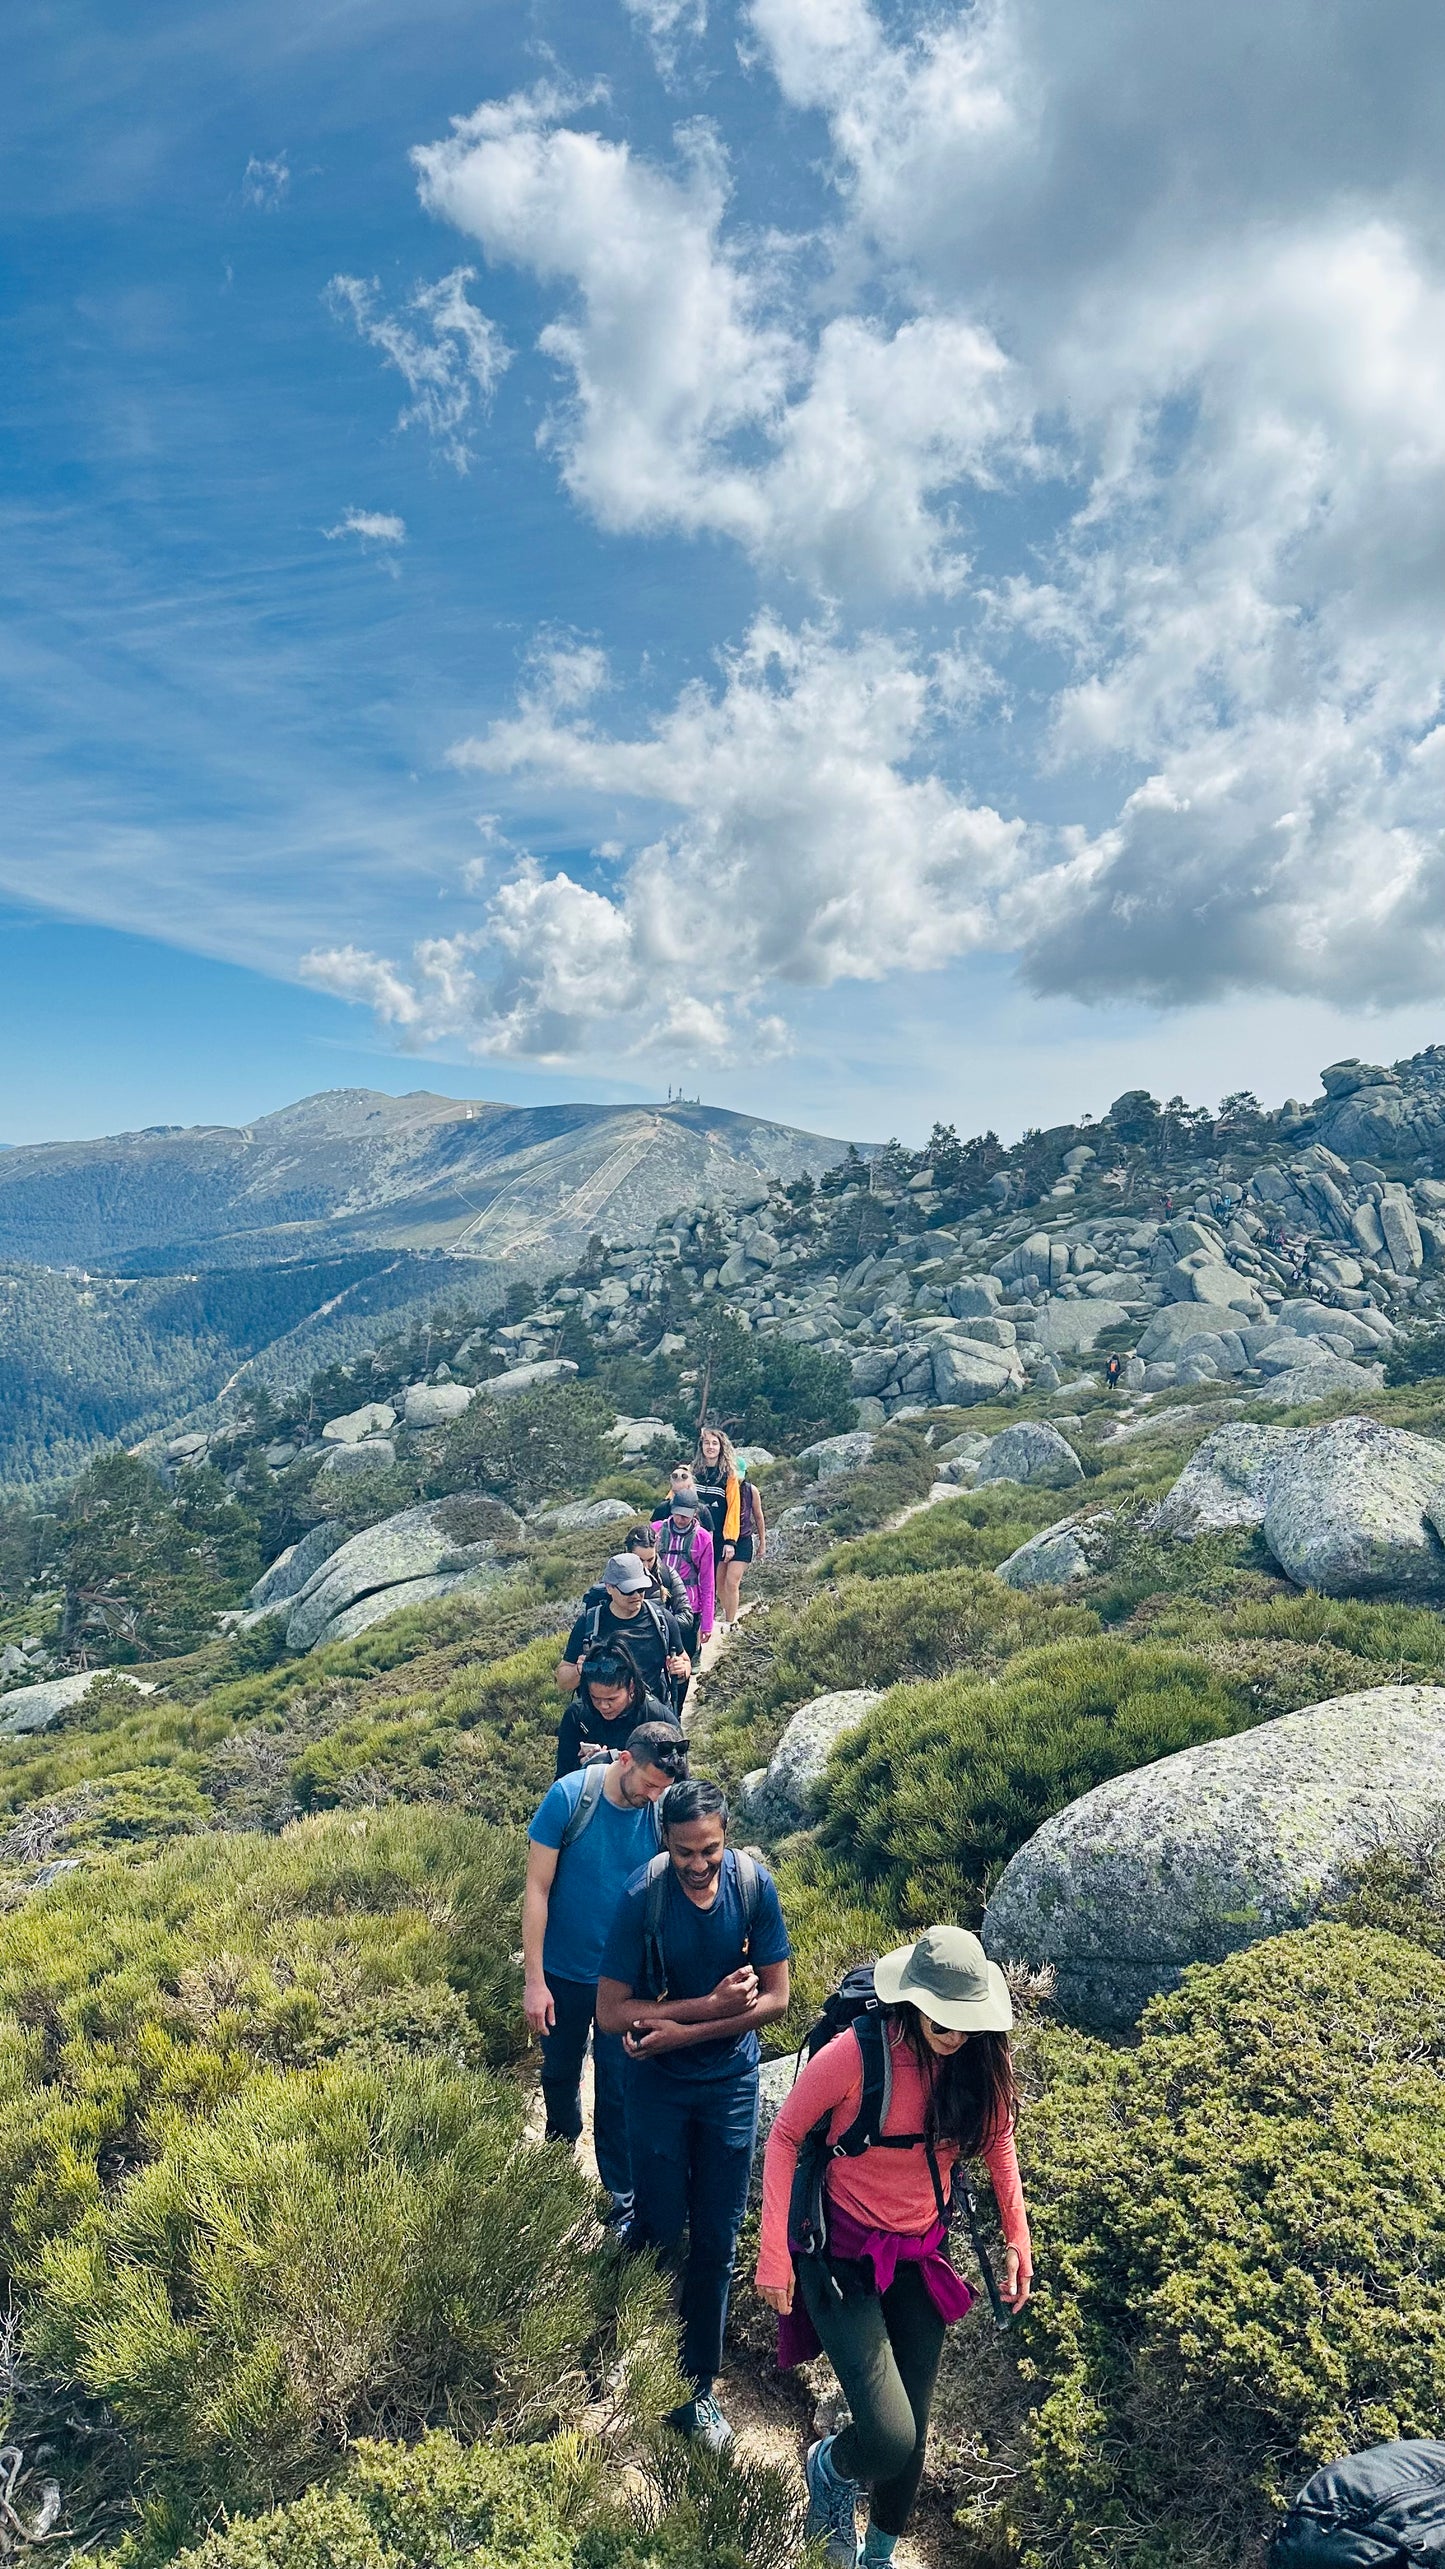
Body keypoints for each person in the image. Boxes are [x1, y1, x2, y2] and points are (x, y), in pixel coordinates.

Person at [755, 1926, 1032, 2568]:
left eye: (966, 2019)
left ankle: (875, 2556)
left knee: (913, 2436)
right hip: (840, 2256)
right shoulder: (857, 2054)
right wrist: (774, 2252)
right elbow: (786, 2135)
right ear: (912, 2000)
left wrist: (1017, 2234)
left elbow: (998, 2142)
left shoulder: (982, 2059)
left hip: (917, 2253)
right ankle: (829, 2467)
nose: (955, 2032)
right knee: (886, 2435)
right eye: (943, 2017)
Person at [597, 1779, 792, 2453]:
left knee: (715, 2239)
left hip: (730, 2086)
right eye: (685, 1850)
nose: (698, 1862)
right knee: (656, 2225)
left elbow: (776, 1997)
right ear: (665, 1841)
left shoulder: (752, 1885)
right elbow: (611, 2012)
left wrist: (689, 2027)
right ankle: (621, 2327)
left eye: (709, 1848)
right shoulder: (640, 1897)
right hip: (655, 2086)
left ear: (726, 1835)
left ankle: (694, 2388)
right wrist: (706, 2012)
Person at [525, 1722, 690, 2233]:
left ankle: (621, 2196)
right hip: (564, 1973)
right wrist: (534, 1980)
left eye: (663, 1789)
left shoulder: (660, 1810)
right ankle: (557, 2154)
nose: (653, 1796)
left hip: (626, 1984)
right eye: (648, 1783)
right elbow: (536, 1888)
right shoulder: (570, 1798)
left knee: (619, 2090)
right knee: (559, 2072)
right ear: (624, 1760)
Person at [556, 1553, 691, 1719]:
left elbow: (683, 1660)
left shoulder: (663, 1620)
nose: (636, 1595)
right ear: (609, 1588)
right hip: (602, 1719)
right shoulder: (590, 1623)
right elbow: (563, 1681)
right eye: (628, 1590)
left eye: (641, 1588)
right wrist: (579, 1670)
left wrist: (682, 1669)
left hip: (650, 1716)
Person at [553, 1642, 680, 1778]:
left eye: (611, 1699)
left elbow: (679, 1781)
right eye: (595, 1698)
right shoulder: (577, 1715)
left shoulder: (658, 1718)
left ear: (631, 1686)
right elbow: (563, 1776)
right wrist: (584, 1768)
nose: (603, 1706)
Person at [653, 1486, 715, 1667]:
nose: (681, 1519)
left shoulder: (703, 1538)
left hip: (689, 1605)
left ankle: (694, 1658)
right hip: (658, 1600)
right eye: (678, 1513)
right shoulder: (656, 1530)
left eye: (686, 1514)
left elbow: (708, 1581)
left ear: (695, 1513)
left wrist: (707, 1623)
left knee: (683, 1659)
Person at [692, 1427, 742, 1631]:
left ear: (721, 1447)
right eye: (706, 1443)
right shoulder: (692, 1471)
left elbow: (733, 1509)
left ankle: (707, 1623)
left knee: (709, 1581)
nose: (710, 1447)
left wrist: (730, 1541)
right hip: (690, 1536)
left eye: (714, 1443)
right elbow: (675, 1497)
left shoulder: (728, 1476)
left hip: (715, 1539)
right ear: (701, 1446)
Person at [720, 1459, 766, 1627]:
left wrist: (762, 1542)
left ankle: (729, 1622)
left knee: (732, 1581)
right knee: (720, 1583)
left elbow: (758, 1516)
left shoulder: (751, 1490)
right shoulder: (722, 1488)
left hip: (744, 1540)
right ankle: (728, 1611)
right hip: (723, 1539)